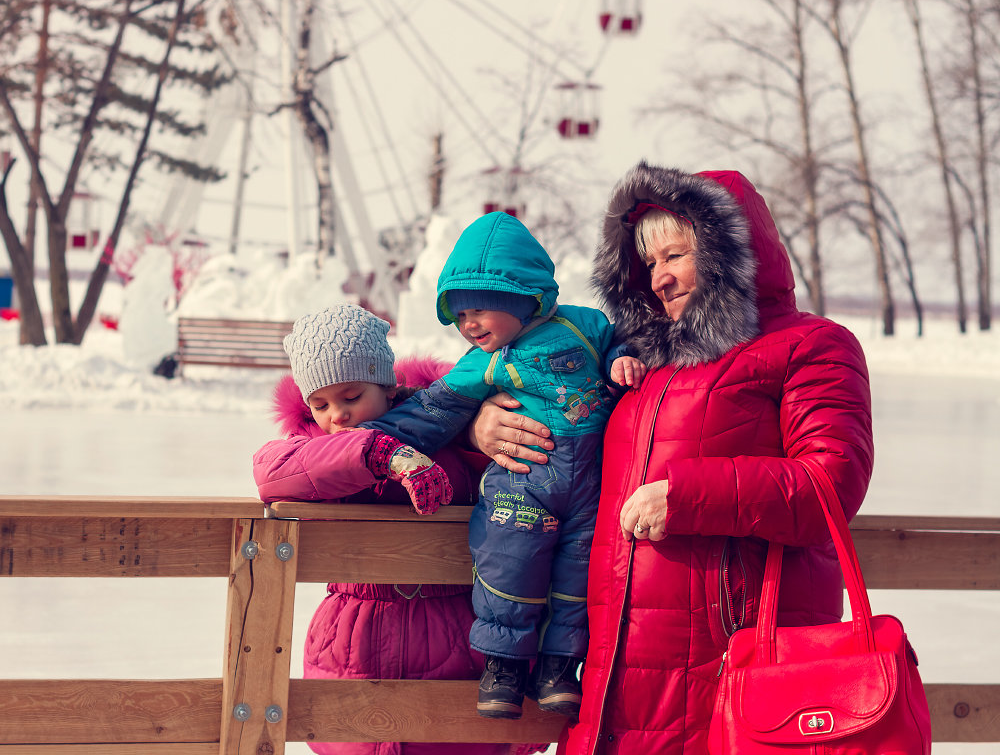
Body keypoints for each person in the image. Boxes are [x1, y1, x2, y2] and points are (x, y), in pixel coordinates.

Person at [470, 162, 874, 755]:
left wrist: (686, 496)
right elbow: (558, 439)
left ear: (730, 250)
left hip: (732, 674)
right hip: (618, 681)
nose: (658, 279)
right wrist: (484, 426)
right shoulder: (639, 367)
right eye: (648, 264)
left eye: (675, 255)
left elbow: (830, 485)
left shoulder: (811, 346)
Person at [358, 211, 645, 722]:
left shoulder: (584, 325)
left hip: (594, 491)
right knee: (508, 563)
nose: (467, 325)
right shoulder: (485, 362)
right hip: (522, 487)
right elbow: (434, 409)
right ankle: (504, 666)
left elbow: (620, 342)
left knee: (579, 579)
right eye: (459, 314)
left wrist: (623, 358)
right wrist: (367, 442)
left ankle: (560, 668)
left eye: (479, 310)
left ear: (522, 297)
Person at [252, 303, 534, 755]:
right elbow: (270, 471)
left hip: (453, 636)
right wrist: (379, 454)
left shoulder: (444, 434)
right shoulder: (311, 449)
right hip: (354, 640)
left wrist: (472, 431)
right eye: (320, 404)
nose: (337, 416)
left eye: (351, 396)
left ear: (386, 386)